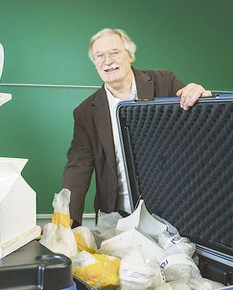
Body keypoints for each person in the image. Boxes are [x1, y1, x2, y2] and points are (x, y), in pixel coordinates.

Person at [62, 28, 212, 227]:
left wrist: (199, 97)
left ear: (130, 56)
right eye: (100, 56)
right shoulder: (85, 112)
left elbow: (196, 127)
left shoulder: (165, 83)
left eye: (114, 52)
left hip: (171, 214)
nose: (107, 60)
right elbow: (77, 168)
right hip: (116, 217)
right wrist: (65, 222)